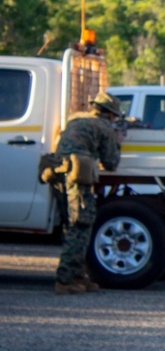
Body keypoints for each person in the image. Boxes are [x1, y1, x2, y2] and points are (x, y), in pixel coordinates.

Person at [47, 91, 124, 294]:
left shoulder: (76, 119)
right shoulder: (104, 127)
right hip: (77, 179)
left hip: (58, 175)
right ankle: (65, 280)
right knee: (80, 226)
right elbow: (111, 163)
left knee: (70, 225)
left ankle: (78, 276)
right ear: (110, 114)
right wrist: (117, 139)